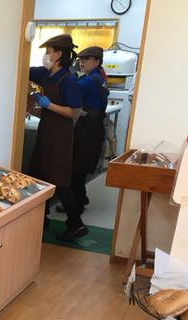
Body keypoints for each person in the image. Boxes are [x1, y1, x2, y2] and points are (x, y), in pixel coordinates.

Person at [29, 34, 85, 241]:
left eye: (48, 51)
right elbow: (23, 71)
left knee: (60, 181)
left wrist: (49, 105)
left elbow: (75, 112)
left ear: (58, 54)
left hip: (60, 137)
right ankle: (41, 218)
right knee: (39, 176)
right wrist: (31, 105)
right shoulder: (45, 74)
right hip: (46, 133)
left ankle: (76, 225)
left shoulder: (69, 80)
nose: (46, 55)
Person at [70, 46, 109, 213]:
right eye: (81, 59)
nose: (82, 62)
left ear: (97, 61)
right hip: (94, 128)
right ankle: (81, 198)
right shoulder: (99, 78)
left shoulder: (88, 81)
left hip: (87, 129)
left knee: (76, 169)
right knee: (81, 168)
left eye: (86, 59)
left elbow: (69, 93)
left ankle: (76, 206)